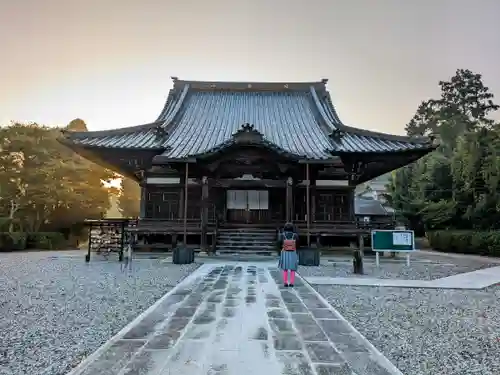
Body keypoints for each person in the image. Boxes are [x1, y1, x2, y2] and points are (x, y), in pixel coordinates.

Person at [278, 222, 298, 287]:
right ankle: (292, 282)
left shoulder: (282, 235)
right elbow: (298, 243)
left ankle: (285, 282)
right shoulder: (295, 235)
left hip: (285, 252)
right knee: (293, 268)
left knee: (285, 268)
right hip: (293, 252)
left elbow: (279, 243)